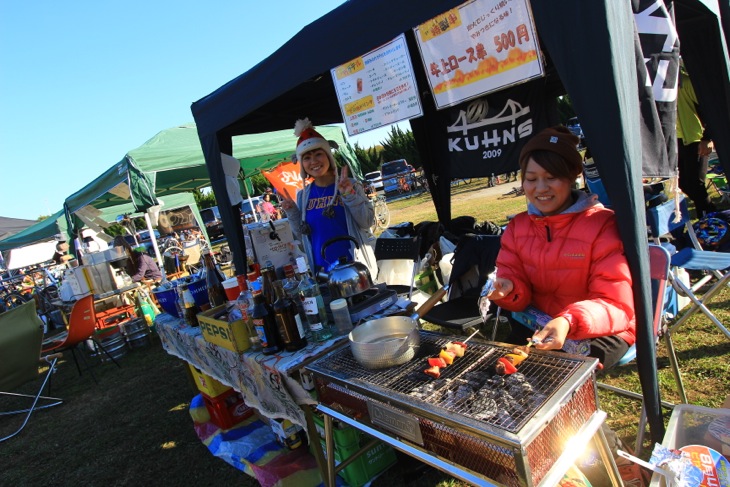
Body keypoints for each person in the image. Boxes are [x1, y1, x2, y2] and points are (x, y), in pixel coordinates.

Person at [487, 126, 635, 369]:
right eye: (531, 179)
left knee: (558, 373)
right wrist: (509, 287)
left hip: (598, 329)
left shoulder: (601, 225)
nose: (541, 188)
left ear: (572, 176)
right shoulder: (518, 227)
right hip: (539, 323)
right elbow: (512, 276)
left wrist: (567, 320)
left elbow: (615, 303)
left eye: (551, 177)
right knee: (502, 369)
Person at [280, 118, 377, 277]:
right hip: (324, 274)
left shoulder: (350, 185)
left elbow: (367, 222)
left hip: (357, 270)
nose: (314, 162)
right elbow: (303, 236)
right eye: (307, 158)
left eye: (318, 154)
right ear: (302, 164)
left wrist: (349, 195)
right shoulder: (303, 195)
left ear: (329, 157)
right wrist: (292, 212)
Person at [677, 61, 717, 217]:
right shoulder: (659, 87)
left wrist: (707, 138)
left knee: (696, 183)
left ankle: (710, 217)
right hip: (679, 139)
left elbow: (708, 109)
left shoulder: (685, 82)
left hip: (695, 138)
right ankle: (710, 216)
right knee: (684, 183)